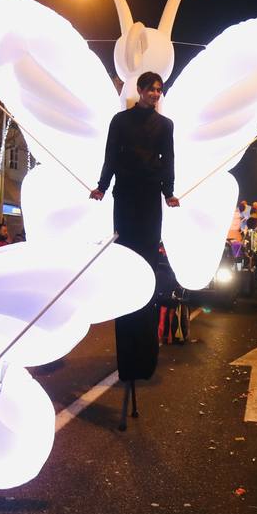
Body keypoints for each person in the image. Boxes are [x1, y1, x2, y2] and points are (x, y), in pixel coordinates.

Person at [88, 71, 178, 408]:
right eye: (151, 89)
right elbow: (111, 155)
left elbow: (168, 160)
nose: (155, 93)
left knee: (149, 273)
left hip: (150, 199)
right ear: (139, 90)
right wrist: (102, 185)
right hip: (125, 198)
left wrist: (169, 192)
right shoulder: (120, 121)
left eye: (159, 90)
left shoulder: (165, 126)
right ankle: (128, 360)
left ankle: (145, 358)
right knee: (125, 270)